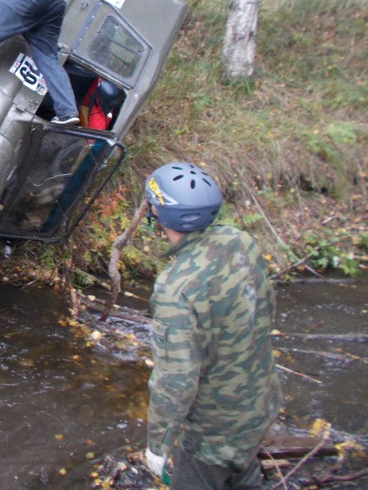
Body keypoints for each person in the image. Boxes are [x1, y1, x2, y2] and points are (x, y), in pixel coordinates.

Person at [143, 162, 282, 490]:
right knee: (244, 477)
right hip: (261, 404)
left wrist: (157, 446)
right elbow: (265, 308)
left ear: (163, 215)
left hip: (213, 432)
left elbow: (176, 380)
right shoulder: (242, 242)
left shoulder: (175, 288)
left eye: (152, 203)